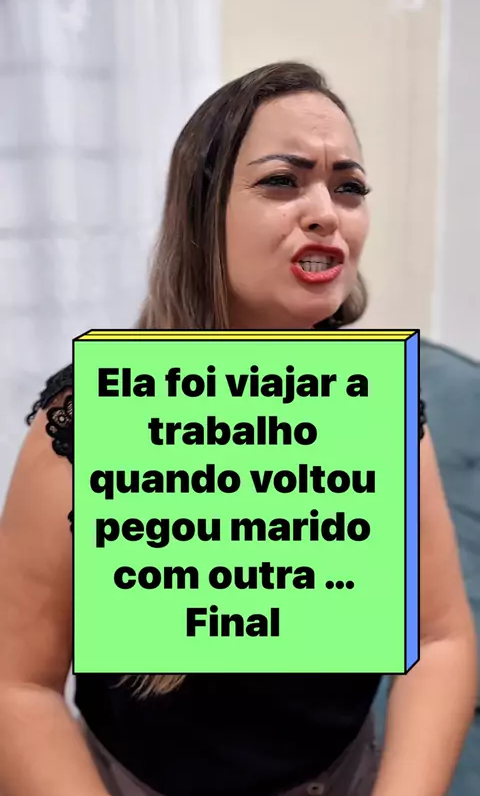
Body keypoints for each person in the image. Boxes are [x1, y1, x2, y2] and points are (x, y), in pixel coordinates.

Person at [0, 62, 476, 796]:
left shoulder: (377, 406)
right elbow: (19, 686)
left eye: (349, 187)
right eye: (283, 181)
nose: (327, 212)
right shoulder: (91, 418)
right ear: (202, 211)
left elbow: (439, 641)